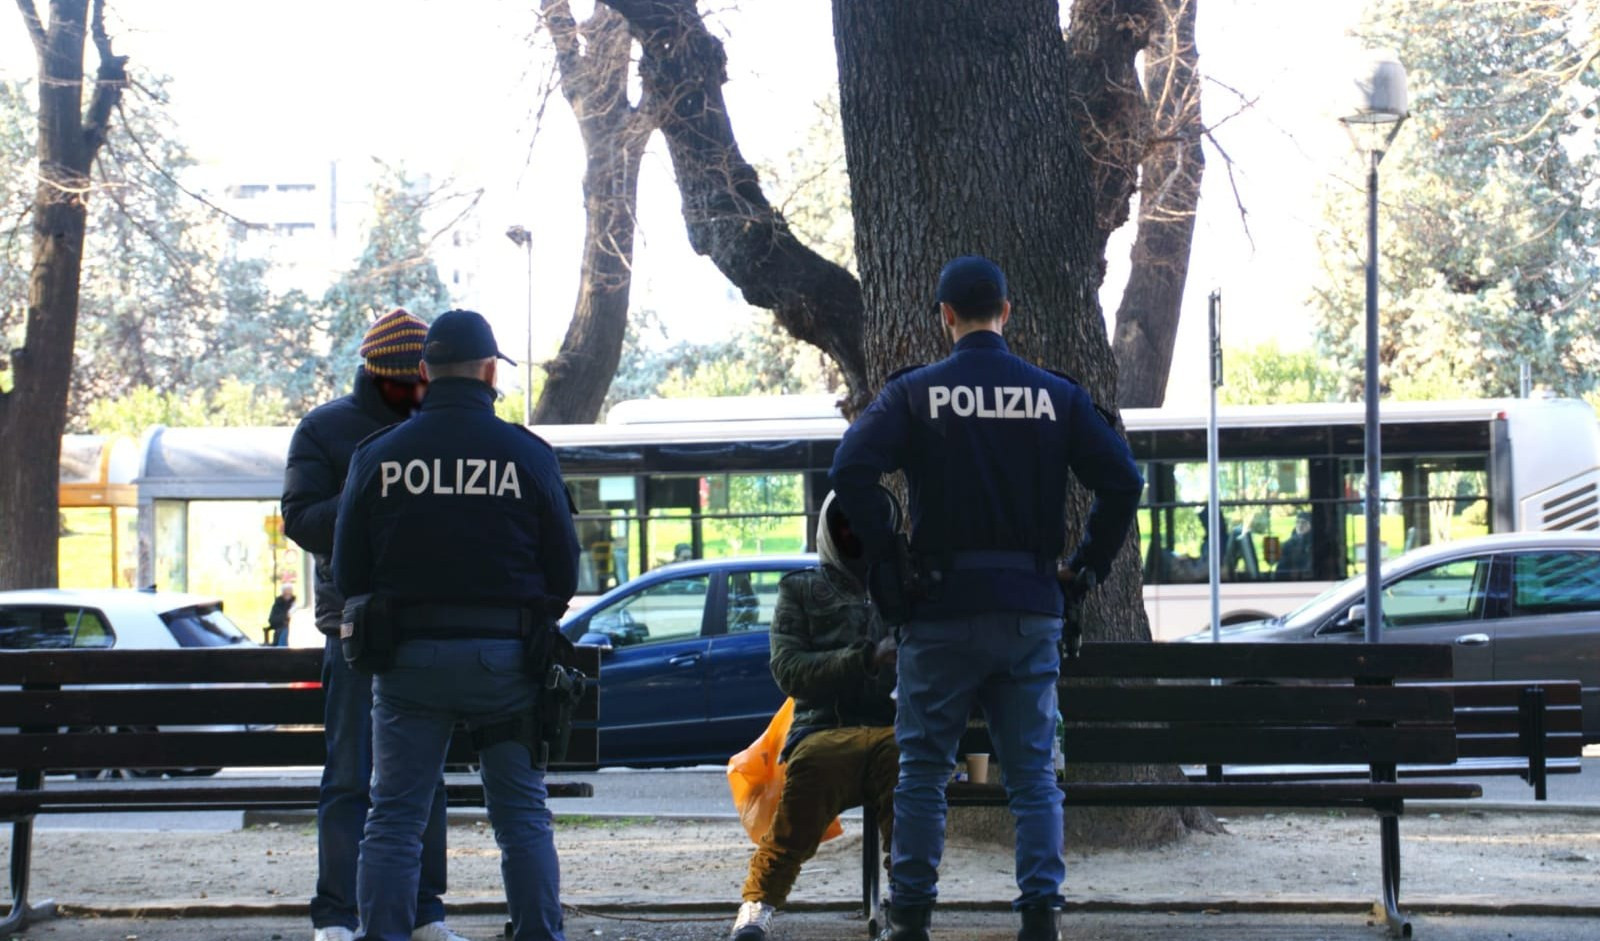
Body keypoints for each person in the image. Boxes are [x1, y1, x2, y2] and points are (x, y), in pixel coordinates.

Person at [829, 256, 1144, 941]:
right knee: (1032, 775)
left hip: (937, 610)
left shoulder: (916, 394)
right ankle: (1039, 917)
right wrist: (1084, 567)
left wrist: (889, 546)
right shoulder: (1055, 396)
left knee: (921, 772)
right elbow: (1122, 480)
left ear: (945, 317)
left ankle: (910, 916)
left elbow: (848, 469)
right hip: (1031, 605)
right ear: (1007, 312)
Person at [332, 309, 581, 941]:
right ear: (491, 371)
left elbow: (348, 573)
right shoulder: (527, 454)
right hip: (506, 662)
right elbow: (563, 572)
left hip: (408, 663)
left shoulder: (376, 455)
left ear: (423, 372)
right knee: (522, 815)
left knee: (393, 819)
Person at [281, 308, 466, 941]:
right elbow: (301, 519)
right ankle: (336, 913)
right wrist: (374, 486)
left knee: (425, 782)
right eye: (406, 384)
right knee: (350, 777)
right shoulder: (328, 429)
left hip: (426, 626)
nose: (417, 395)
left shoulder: (437, 425)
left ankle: (424, 911)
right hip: (354, 632)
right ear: (380, 376)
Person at [729, 492, 898, 940]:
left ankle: (907, 899)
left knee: (909, 764)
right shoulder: (800, 589)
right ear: (831, 529)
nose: (856, 536)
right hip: (822, 727)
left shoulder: (902, 584)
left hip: (894, 727)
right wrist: (864, 658)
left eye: (868, 526)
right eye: (847, 526)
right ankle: (758, 903)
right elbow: (789, 671)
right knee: (813, 773)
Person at [1276, 512, 1314, 578]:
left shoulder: (1315, 543)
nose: (1300, 525)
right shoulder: (1288, 545)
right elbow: (1280, 570)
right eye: (1298, 522)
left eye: (1304, 522)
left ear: (1311, 525)